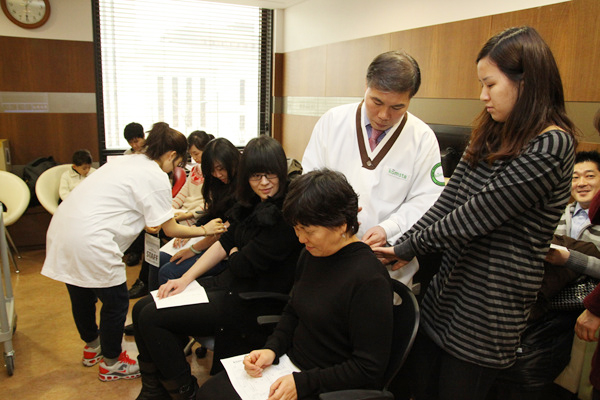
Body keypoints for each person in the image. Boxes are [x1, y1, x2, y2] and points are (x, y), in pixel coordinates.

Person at [374, 26, 577, 399]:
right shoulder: (492, 130)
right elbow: (449, 201)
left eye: (490, 84)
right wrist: (404, 242)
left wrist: (407, 247)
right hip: (445, 295)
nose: (483, 95)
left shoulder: (552, 144)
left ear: (526, 82)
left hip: (488, 313)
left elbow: (475, 216)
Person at [40, 122, 226, 382]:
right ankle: (112, 363)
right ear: (172, 155)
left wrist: (180, 217)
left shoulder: (125, 161)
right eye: (177, 163)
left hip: (63, 228)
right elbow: (170, 229)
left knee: (81, 292)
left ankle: (93, 346)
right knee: (116, 303)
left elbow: (144, 212)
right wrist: (204, 230)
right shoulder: (154, 175)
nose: (175, 168)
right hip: (93, 239)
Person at [196, 168, 394, 400]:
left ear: (341, 224)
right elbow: (292, 311)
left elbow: (368, 369)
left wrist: (303, 383)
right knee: (209, 392)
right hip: (291, 367)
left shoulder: (369, 279)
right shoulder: (311, 254)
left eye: (308, 231)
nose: (300, 239)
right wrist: (272, 349)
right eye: (296, 229)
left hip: (326, 386)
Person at [132, 135, 303, 399]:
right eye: (256, 176)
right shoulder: (252, 203)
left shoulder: (284, 214)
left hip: (252, 299)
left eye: (270, 174)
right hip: (230, 284)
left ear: (281, 171)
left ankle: (184, 390)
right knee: (141, 308)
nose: (264, 182)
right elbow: (226, 242)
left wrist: (233, 253)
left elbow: (242, 264)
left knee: (152, 317)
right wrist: (186, 279)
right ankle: (154, 389)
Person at [301, 50, 443, 286]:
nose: (384, 115)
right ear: (366, 86)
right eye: (376, 102)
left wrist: (388, 229)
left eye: (397, 107)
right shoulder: (333, 122)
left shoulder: (422, 138)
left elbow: (427, 200)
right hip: (328, 255)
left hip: (386, 262)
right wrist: (334, 221)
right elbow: (309, 183)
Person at [484, 151, 600, 399]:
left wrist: (570, 259)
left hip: (584, 298)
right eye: (575, 177)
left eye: (589, 176)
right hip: (555, 298)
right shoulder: (560, 212)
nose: (581, 183)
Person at [154, 137, 241, 288]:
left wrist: (194, 248)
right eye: (212, 171)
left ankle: (165, 301)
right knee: (158, 258)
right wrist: (193, 229)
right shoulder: (217, 181)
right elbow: (214, 211)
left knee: (168, 271)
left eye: (221, 169)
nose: (217, 174)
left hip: (223, 248)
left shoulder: (243, 187)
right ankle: (153, 299)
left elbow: (225, 231)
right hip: (211, 237)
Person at [171, 130, 215, 226]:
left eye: (196, 154)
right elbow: (183, 193)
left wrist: (189, 215)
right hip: (184, 211)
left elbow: (210, 203)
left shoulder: (214, 172)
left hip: (197, 216)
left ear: (207, 150)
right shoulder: (195, 169)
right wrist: (171, 208)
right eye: (191, 154)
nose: (194, 158)